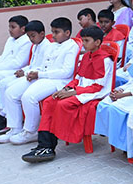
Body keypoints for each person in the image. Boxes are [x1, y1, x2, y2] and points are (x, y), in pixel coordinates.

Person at [22, 26, 115, 162]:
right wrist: (66, 89)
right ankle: (43, 145)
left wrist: (73, 92)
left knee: (62, 104)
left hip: (93, 94)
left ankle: (49, 146)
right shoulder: (86, 56)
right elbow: (78, 78)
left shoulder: (105, 60)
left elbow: (98, 86)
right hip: (80, 90)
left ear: (97, 42)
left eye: (87, 41)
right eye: (83, 40)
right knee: (50, 101)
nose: (83, 44)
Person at [1, 17, 80, 145]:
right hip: (44, 77)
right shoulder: (53, 45)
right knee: (11, 92)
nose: (53, 35)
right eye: (52, 32)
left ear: (67, 33)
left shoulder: (72, 47)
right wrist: (31, 73)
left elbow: (66, 72)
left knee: (29, 97)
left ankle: (31, 131)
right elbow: (42, 65)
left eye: (56, 32)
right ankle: (15, 128)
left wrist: (40, 74)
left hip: (59, 81)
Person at [0, 20, 50, 139]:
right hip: (30, 74)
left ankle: (28, 130)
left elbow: (44, 67)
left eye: (33, 36)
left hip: (39, 77)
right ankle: (14, 127)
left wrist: (28, 73)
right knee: (7, 88)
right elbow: (32, 64)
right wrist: (23, 70)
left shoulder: (48, 47)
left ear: (42, 34)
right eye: (29, 36)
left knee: (15, 94)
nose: (31, 39)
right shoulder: (36, 46)